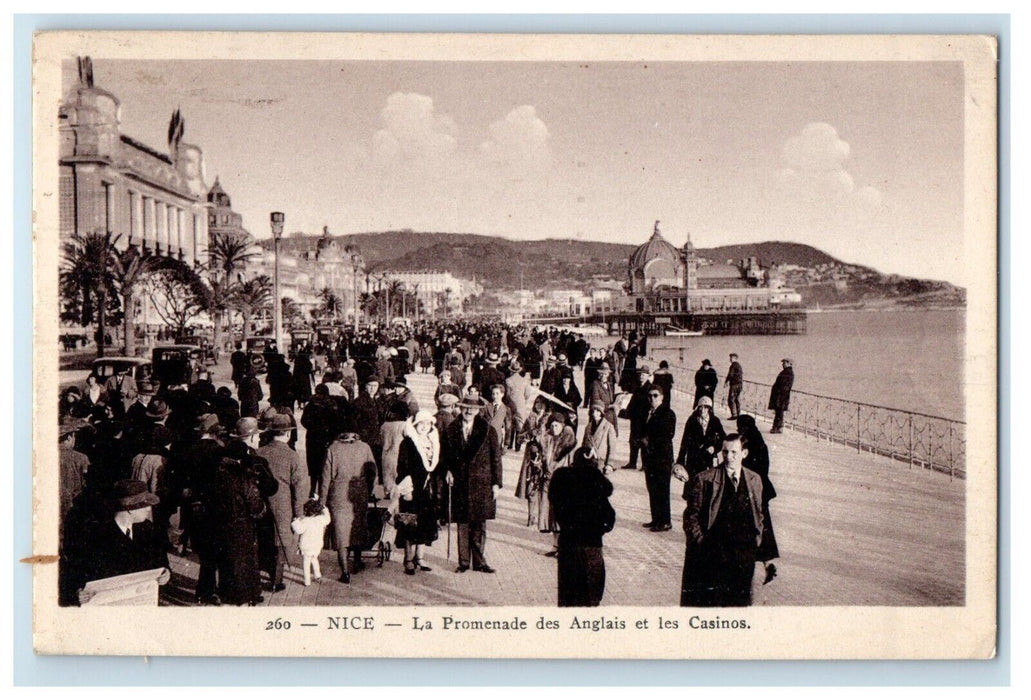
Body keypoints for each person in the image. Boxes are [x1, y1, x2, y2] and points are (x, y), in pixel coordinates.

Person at [680, 434, 764, 607]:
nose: (729, 457)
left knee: (738, 606)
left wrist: (756, 541)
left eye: (734, 452)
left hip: (743, 556)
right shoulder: (705, 479)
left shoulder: (755, 480)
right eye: (725, 452)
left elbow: (759, 514)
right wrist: (702, 542)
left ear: (745, 453)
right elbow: (691, 516)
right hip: (714, 554)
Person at [77, 480, 171, 602]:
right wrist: (78, 592)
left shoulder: (148, 529)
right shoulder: (95, 535)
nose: (149, 509)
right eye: (145, 504)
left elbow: (161, 562)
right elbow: (78, 573)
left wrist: (166, 574)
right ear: (130, 508)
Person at [442, 394, 503, 574]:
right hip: (460, 482)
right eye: (466, 408)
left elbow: (496, 459)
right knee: (462, 523)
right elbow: (444, 456)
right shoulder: (450, 430)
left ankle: (480, 562)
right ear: (460, 408)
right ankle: (463, 562)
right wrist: (447, 470)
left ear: (478, 411)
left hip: (481, 483)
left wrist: (496, 484)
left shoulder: (488, 430)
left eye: (473, 409)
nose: (469, 411)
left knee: (479, 523)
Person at [549, 447, 616, 607]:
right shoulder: (597, 482)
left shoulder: (561, 477)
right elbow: (609, 517)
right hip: (591, 545)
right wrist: (601, 529)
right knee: (591, 596)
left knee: (568, 595)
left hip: (567, 544)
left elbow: (554, 502)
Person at [256, 413, 311, 579]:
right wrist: (300, 512)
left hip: (260, 502)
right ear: (288, 434)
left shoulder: (259, 452)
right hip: (283, 503)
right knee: (281, 539)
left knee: (262, 536)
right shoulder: (293, 456)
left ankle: (261, 570)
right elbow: (300, 487)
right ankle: (276, 578)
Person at [320, 430, 377, 584]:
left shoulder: (332, 448)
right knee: (357, 527)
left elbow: (325, 478)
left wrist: (322, 501)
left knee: (341, 532)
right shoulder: (365, 447)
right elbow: (372, 472)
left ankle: (345, 572)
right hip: (358, 493)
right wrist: (368, 489)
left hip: (338, 494)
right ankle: (357, 561)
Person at [394, 410, 444, 575]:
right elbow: (402, 467)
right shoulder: (408, 443)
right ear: (415, 425)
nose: (424, 427)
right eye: (421, 424)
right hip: (412, 489)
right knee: (410, 523)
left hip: (427, 491)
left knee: (425, 523)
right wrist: (406, 490)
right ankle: (408, 559)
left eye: (428, 424)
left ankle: (420, 557)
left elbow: (436, 466)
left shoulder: (433, 442)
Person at [737, 414, 779, 583]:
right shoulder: (761, 444)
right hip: (761, 492)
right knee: (763, 526)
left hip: (751, 491)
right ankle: (767, 563)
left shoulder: (746, 444)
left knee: (748, 527)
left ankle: (747, 564)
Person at [537, 412, 578, 556]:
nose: (554, 428)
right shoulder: (547, 441)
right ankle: (555, 546)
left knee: (562, 516)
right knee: (551, 514)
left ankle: (564, 548)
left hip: (563, 484)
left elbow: (572, 464)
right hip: (548, 481)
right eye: (552, 425)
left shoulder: (568, 444)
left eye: (557, 425)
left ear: (562, 426)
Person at [639, 384, 677, 532]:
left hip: (662, 459)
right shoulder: (648, 412)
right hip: (650, 458)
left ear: (661, 397)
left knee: (662, 490)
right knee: (652, 488)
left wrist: (649, 440)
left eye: (655, 396)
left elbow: (668, 434)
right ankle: (656, 519)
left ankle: (665, 521)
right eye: (650, 396)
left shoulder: (668, 413)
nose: (652, 399)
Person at [301, 384, 344, 496]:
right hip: (327, 440)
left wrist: (313, 428)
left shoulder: (311, 405)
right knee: (325, 465)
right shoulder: (331, 405)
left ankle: (312, 489)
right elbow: (337, 423)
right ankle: (323, 490)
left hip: (312, 439)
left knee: (313, 465)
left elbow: (304, 421)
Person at [673, 396, 726, 479]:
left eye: (705, 407)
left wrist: (715, 448)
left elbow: (723, 438)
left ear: (709, 409)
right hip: (693, 459)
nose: (702, 410)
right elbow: (685, 441)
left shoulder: (715, 421)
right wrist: (681, 460)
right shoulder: (692, 420)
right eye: (700, 407)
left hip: (708, 459)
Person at [291, 497, 331, 586]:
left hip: (306, 546)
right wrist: (324, 507)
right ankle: (318, 575)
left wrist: (295, 521)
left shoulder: (306, 521)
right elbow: (328, 517)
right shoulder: (321, 520)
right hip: (317, 545)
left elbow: (298, 530)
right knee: (314, 559)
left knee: (306, 563)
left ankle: (307, 581)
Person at [621, 365, 654, 470]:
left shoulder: (650, 388)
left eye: (643, 375)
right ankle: (632, 462)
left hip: (644, 420)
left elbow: (650, 405)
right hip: (635, 419)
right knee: (633, 441)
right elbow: (632, 402)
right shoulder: (638, 387)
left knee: (644, 442)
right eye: (640, 374)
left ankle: (645, 464)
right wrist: (627, 412)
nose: (641, 376)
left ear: (648, 376)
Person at [769, 358, 794, 433]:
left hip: (781, 396)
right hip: (782, 396)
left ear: (789, 363)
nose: (783, 364)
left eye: (784, 362)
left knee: (779, 413)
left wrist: (778, 392)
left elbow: (784, 386)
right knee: (779, 413)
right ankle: (778, 428)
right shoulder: (787, 372)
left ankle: (776, 428)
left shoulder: (787, 372)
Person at [726, 353, 744, 419]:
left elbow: (731, 375)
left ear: (735, 358)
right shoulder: (739, 365)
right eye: (730, 357)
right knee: (737, 399)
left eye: (731, 358)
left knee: (731, 399)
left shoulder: (733, 365)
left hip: (734, 385)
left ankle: (734, 415)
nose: (730, 359)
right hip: (740, 384)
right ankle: (738, 414)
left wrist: (726, 382)